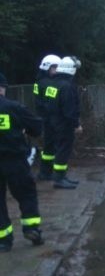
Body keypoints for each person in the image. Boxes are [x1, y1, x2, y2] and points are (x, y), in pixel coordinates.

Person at [0, 71, 45, 252]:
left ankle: (3, 240)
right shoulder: (14, 107)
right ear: (2, 88)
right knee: (26, 194)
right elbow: (36, 127)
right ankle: (31, 229)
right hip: (15, 160)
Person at [48, 56, 82, 189]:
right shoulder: (67, 86)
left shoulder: (53, 84)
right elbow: (69, 110)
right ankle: (59, 179)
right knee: (63, 150)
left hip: (54, 123)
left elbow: (49, 105)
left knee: (59, 149)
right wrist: (76, 124)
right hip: (64, 125)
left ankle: (61, 176)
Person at [34, 54, 61, 181]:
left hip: (46, 119)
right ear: (47, 67)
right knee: (52, 146)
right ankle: (48, 172)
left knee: (48, 147)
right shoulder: (48, 84)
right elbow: (52, 103)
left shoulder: (39, 82)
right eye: (54, 68)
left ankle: (46, 171)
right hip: (50, 119)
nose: (57, 71)